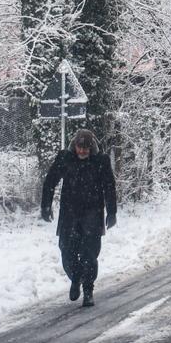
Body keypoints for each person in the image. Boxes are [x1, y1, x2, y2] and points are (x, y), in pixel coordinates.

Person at [41, 129, 118, 308]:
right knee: (66, 250)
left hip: (92, 212)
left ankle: (88, 289)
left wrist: (112, 212)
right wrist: (45, 205)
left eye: (85, 148)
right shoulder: (65, 159)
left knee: (89, 253)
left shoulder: (100, 161)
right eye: (79, 147)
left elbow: (109, 186)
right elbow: (50, 181)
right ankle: (75, 277)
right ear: (74, 146)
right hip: (69, 212)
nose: (82, 151)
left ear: (91, 148)